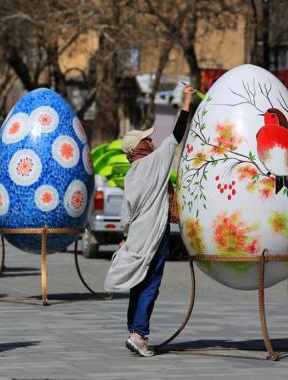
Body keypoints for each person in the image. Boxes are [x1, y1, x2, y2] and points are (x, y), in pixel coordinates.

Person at [104, 85, 195, 357]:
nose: (151, 141)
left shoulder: (131, 174)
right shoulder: (155, 162)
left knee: (138, 283)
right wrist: (188, 99)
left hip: (136, 236)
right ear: (140, 147)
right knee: (151, 283)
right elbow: (177, 133)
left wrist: (125, 236)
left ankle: (134, 329)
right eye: (146, 140)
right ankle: (139, 334)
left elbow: (126, 213)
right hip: (154, 234)